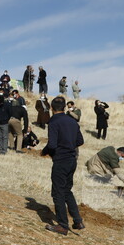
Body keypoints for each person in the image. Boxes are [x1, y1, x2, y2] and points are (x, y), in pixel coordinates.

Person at [41, 96, 85, 234]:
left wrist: (45, 151)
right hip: (72, 159)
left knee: (58, 192)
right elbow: (80, 140)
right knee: (67, 190)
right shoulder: (72, 121)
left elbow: (52, 144)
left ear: (51, 108)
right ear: (65, 107)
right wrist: (69, 145)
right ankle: (77, 221)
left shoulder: (53, 122)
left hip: (61, 160)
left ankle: (63, 225)